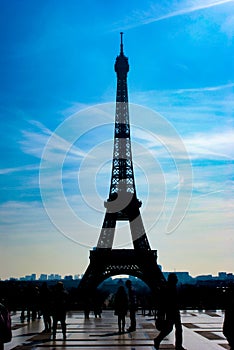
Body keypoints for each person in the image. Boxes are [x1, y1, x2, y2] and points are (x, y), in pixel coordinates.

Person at [154, 273, 187, 350]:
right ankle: (159, 340)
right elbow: (164, 302)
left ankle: (177, 345)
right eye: (175, 278)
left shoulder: (169, 287)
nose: (177, 280)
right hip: (171, 311)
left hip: (173, 311)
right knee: (172, 328)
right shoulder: (168, 288)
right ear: (172, 280)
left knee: (175, 328)